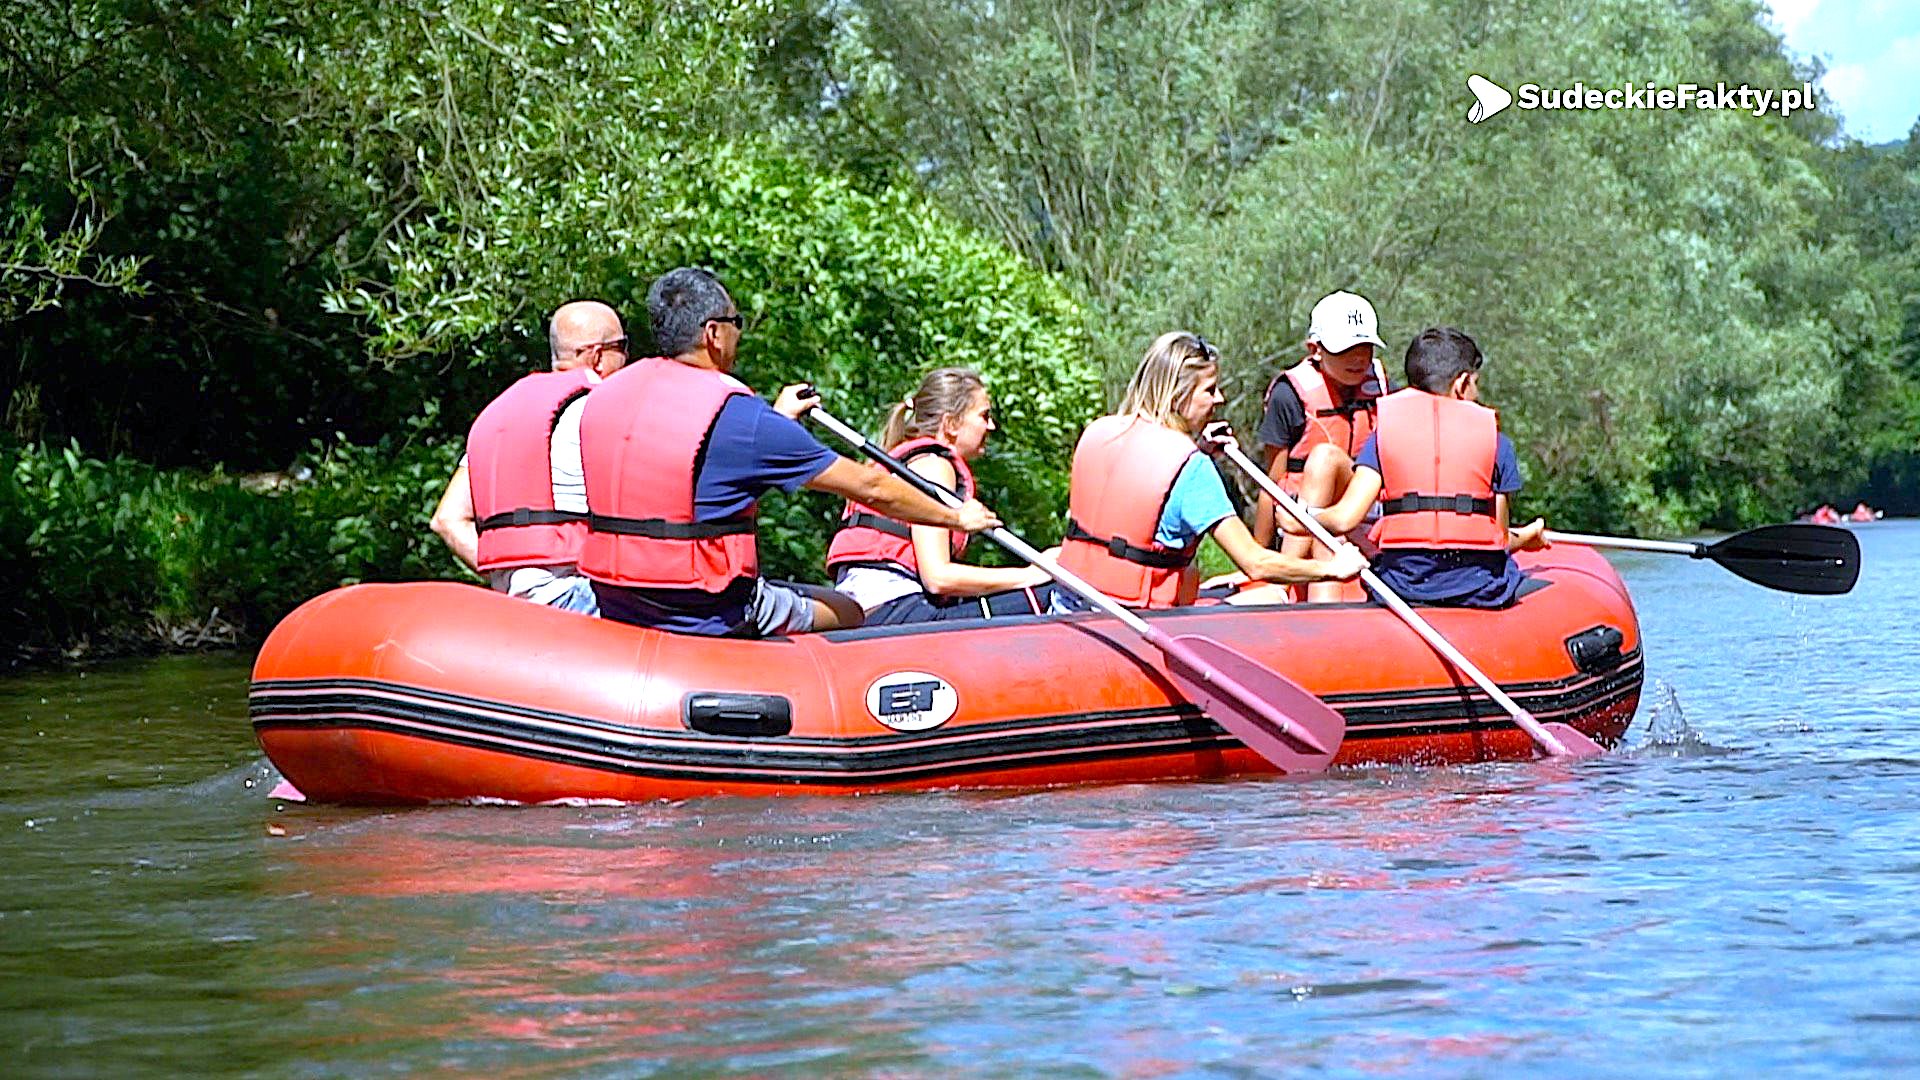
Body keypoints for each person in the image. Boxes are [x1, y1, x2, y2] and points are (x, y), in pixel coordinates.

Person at [578, 267, 1001, 637]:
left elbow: (698, 480)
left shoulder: (609, 396)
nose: (739, 334)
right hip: (704, 610)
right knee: (850, 611)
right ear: (713, 334)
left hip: (619, 598)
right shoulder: (742, 418)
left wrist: (781, 421)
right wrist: (955, 516)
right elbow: (871, 486)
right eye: (735, 322)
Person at [1051, 331, 1366, 612]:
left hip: (1067, 602)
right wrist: (1332, 569)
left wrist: (1197, 446)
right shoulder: (1191, 469)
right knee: (1267, 597)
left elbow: (1142, 485)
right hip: (1129, 617)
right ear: (1179, 394)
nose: (1219, 399)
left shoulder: (1099, 431)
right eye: (1209, 390)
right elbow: (1256, 563)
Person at [1282, 325, 1547, 608]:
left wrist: (1302, 518)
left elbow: (1345, 518)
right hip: (1480, 589)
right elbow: (1500, 537)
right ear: (1462, 384)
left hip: (1403, 586)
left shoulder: (1385, 434)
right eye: (1476, 384)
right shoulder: (1497, 442)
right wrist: (1527, 537)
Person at [428, 300, 630, 613]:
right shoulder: (598, 409)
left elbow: (446, 520)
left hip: (519, 606)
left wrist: (509, 575)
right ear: (598, 355)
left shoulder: (497, 414)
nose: (627, 361)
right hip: (578, 595)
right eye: (623, 348)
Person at [826, 367, 1055, 623]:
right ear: (951, 424)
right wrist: (1030, 574)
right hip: (895, 608)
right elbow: (938, 577)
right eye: (984, 415)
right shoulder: (934, 467)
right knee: (1054, 596)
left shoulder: (904, 463)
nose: (991, 425)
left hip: (874, 608)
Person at [1251, 290, 1390, 602]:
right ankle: (1291, 588)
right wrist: (1258, 557)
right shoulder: (1289, 396)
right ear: (1315, 349)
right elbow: (1271, 483)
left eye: (1365, 347)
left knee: (1326, 460)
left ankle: (1288, 588)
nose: (1358, 358)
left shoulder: (1383, 388)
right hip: (1304, 520)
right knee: (1323, 461)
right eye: (1345, 349)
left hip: (1360, 511)